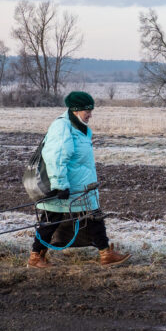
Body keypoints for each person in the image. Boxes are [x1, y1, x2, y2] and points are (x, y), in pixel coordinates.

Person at [27, 91, 129, 269]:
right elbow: (57, 157)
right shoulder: (62, 127)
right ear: (75, 110)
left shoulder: (78, 126)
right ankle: (36, 257)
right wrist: (60, 185)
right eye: (87, 110)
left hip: (81, 185)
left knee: (94, 217)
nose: (90, 114)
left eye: (91, 110)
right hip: (67, 186)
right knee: (51, 220)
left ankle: (106, 254)